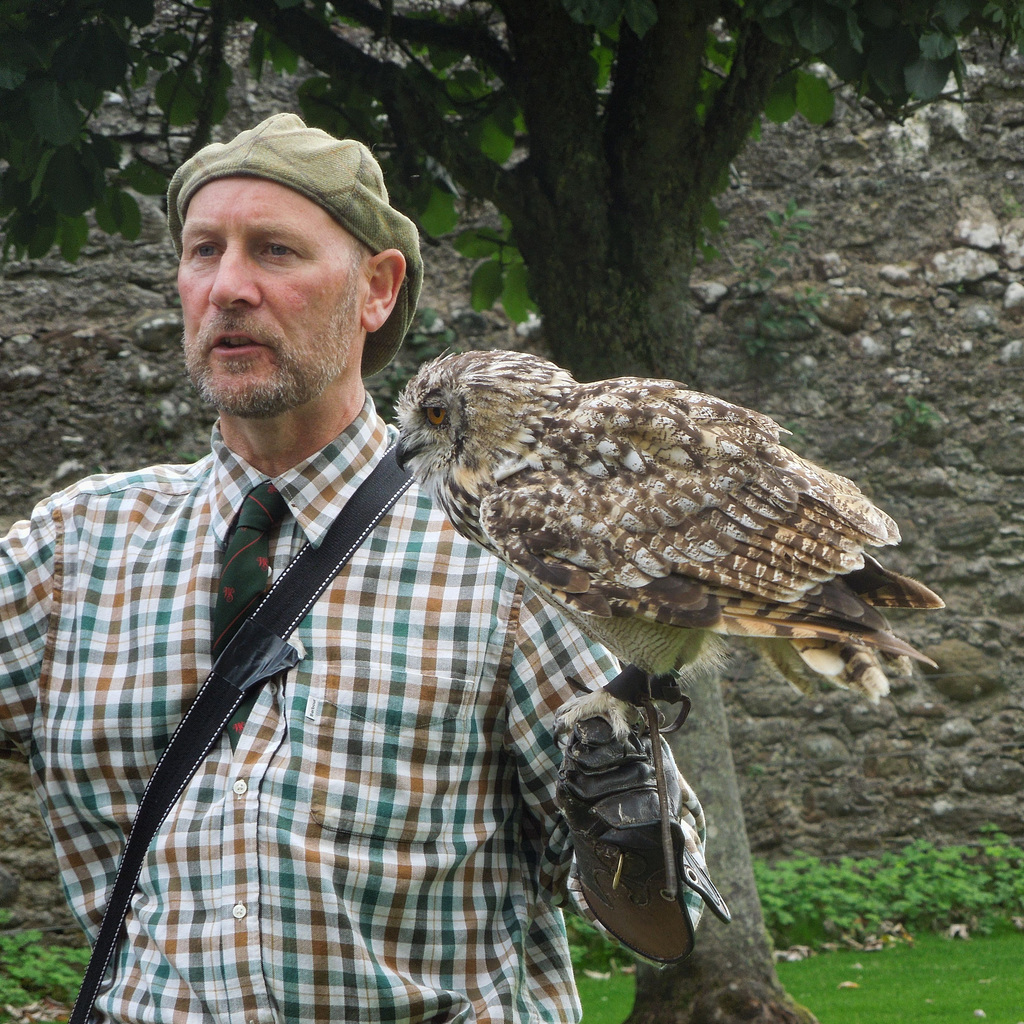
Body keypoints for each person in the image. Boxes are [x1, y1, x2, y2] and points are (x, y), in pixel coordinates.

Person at [0, 113, 716, 1023]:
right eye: (202, 251)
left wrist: (629, 826)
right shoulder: (74, 549)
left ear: (377, 289)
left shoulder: (507, 550)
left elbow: (663, 902)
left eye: (276, 252)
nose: (228, 287)